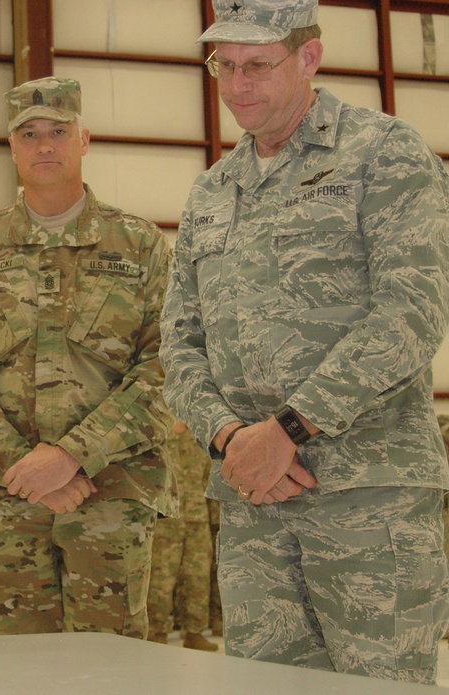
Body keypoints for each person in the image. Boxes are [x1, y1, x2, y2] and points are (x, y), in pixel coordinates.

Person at [160, 0, 449, 683]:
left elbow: (413, 312)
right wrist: (232, 437)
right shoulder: (211, 192)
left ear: (309, 58)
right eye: (222, 66)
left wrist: (287, 428)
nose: (236, 86)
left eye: (257, 64)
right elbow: (178, 344)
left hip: (368, 501)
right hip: (255, 503)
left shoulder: (384, 153)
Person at [0, 77, 174, 638]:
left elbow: (169, 367)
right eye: (29, 133)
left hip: (111, 493)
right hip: (4, 496)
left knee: (110, 670)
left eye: (58, 131)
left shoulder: (140, 246)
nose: (44, 145)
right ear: (10, 147)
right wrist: (25, 465)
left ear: (83, 139)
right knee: (12, 670)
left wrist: (73, 456)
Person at [146, 420, 216, 651]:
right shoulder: (159, 434)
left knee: (198, 578)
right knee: (160, 583)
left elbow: (209, 476)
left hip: (197, 519)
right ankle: (156, 635)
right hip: (166, 521)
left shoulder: (199, 436)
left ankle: (194, 632)